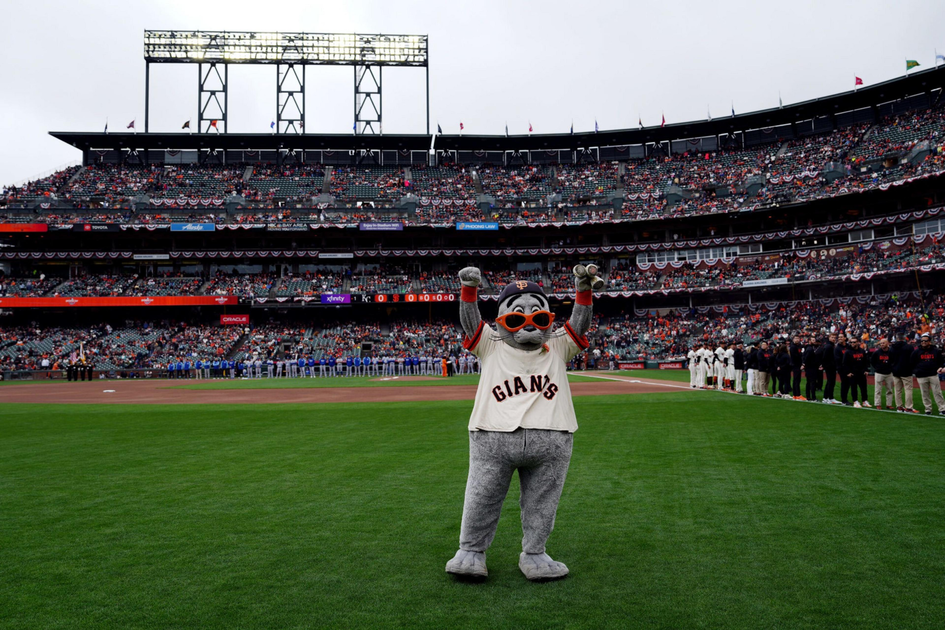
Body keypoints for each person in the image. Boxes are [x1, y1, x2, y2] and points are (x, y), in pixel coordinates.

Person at [911, 333, 945, 415]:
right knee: (924, 393)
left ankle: (942, 408)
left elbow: (941, 361)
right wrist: (916, 371)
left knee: (937, 392)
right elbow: (911, 362)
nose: (923, 342)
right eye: (922, 341)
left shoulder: (935, 351)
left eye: (925, 341)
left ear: (929, 341)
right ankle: (928, 409)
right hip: (921, 375)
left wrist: (941, 367)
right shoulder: (916, 352)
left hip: (933, 374)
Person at [891, 334, 916, 413]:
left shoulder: (892, 347)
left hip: (895, 370)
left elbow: (890, 359)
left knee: (897, 390)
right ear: (904, 338)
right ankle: (908, 407)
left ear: (897, 338)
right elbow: (913, 359)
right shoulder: (909, 347)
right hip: (906, 370)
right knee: (908, 389)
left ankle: (899, 407)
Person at [870, 338, 895, 410]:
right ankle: (878, 404)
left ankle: (889, 404)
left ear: (887, 344)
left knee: (889, 390)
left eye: (883, 343)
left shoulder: (891, 352)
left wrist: (891, 368)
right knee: (878, 390)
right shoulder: (877, 352)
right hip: (879, 373)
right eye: (881, 343)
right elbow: (872, 361)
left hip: (889, 373)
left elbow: (894, 361)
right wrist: (877, 367)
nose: (882, 344)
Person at [847, 341, 870, 408]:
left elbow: (866, 361)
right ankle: (855, 401)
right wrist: (848, 372)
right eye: (851, 342)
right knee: (854, 388)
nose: (852, 343)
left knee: (864, 388)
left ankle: (864, 400)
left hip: (861, 372)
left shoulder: (862, 351)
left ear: (858, 342)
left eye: (854, 342)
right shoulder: (848, 352)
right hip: (853, 373)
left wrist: (866, 370)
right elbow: (845, 362)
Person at [820, 334, 838, 404]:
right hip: (829, 366)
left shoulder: (831, 346)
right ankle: (826, 397)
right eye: (832, 337)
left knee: (831, 382)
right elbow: (825, 357)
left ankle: (830, 397)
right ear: (829, 338)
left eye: (834, 337)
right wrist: (826, 365)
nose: (833, 338)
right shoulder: (828, 346)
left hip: (831, 366)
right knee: (830, 382)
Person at [802, 337, 822, 402]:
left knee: (809, 382)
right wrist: (804, 364)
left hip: (809, 368)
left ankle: (808, 396)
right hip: (811, 368)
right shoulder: (810, 349)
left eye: (814, 340)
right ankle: (813, 397)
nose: (814, 341)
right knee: (812, 382)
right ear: (810, 341)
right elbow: (806, 358)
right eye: (813, 340)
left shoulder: (808, 348)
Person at [789, 336, 803, 400]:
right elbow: (796, 356)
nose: (797, 340)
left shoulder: (799, 346)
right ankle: (796, 394)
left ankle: (796, 394)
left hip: (798, 364)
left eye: (798, 338)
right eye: (795, 338)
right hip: (795, 364)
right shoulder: (793, 347)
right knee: (796, 379)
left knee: (797, 379)